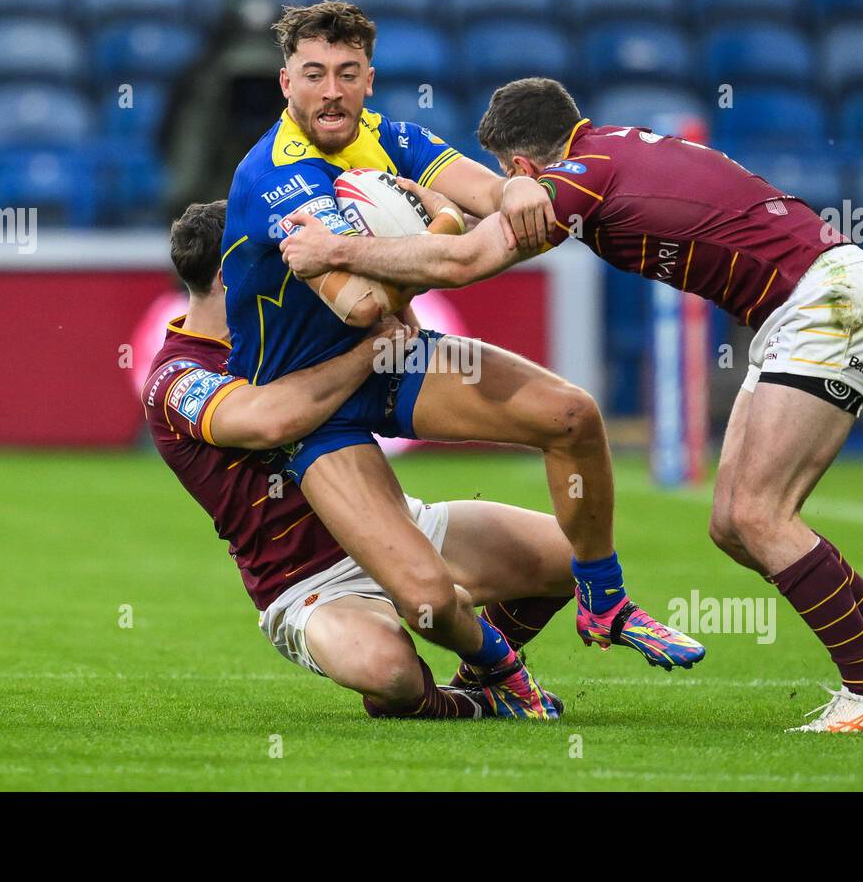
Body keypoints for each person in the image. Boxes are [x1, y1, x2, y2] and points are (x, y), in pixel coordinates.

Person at [279, 77, 863, 734]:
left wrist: (333, 250)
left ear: (521, 168)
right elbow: (471, 237)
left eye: (507, 177)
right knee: (731, 525)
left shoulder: (577, 178)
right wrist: (435, 210)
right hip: (815, 301)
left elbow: (464, 263)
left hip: (823, 304)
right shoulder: (603, 156)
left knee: (757, 515)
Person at [219, 1, 706, 694]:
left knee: (571, 416)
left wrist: (517, 187)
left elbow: (492, 190)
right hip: (312, 404)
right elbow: (361, 303)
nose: (332, 90)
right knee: (426, 599)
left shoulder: (394, 136)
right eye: (315, 74)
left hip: (394, 358)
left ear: (368, 79)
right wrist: (448, 221)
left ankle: (605, 600)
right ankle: (499, 674)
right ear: (285, 84)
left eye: (348, 73)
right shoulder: (275, 174)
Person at [144, 201, 573, 719]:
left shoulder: (293, 322)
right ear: (228, 272)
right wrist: (367, 353)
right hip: (308, 582)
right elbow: (269, 421)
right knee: (389, 674)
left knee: (572, 559)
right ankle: (462, 706)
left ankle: (482, 678)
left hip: (400, 525)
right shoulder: (177, 377)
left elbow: (401, 323)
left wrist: (427, 223)